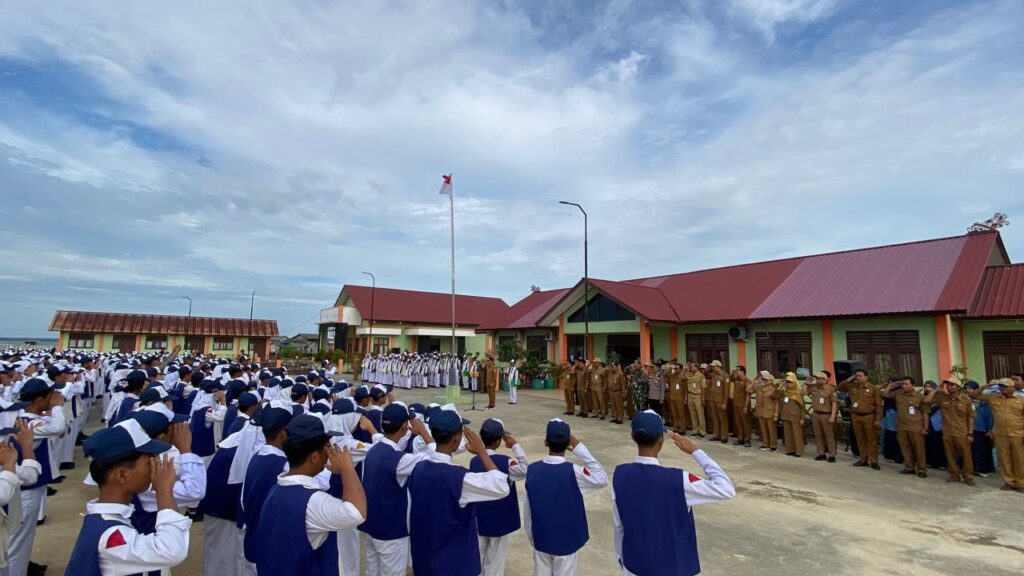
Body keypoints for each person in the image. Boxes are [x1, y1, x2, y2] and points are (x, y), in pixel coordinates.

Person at [613, 410, 736, 576]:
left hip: (635, 564)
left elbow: (618, 524)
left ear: (633, 437)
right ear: (661, 441)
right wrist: (695, 451)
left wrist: (622, 558)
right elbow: (726, 489)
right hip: (672, 567)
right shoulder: (679, 480)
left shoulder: (620, 474)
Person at [65, 420, 190, 575]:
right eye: (149, 462)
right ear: (122, 475)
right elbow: (171, 550)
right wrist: (164, 490)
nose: (155, 468)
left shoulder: (109, 519)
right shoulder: (110, 535)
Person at [255, 414, 367, 575]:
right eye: (326, 449)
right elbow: (357, 512)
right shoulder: (311, 501)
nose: (329, 453)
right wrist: (347, 468)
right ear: (314, 457)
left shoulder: (276, 489)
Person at [407, 406, 510, 576]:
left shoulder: (418, 468)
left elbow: (434, 449)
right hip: (456, 565)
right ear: (456, 439)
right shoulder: (461, 479)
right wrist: (482, 451)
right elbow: (501, 485)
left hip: (425, 560)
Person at [524, 418, 608, 576]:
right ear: (569, 442)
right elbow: (601, 478)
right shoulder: (574, 472)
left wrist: (533, 537)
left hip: (541, 538)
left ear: (545, 442)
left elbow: (527, 511)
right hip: (567, 540)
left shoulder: (532, 470)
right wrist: (580, 448)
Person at [360, 402, 436, 576]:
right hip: (391, 532)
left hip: (372, 526)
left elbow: (378, 438)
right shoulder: (400, 460)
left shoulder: (374, 450)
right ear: (404, 427)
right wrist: (424, 432)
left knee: (373, 571)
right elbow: (436, 458)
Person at [11, 378, 66, 576]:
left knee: (20, 539)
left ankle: (22, 566)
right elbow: (58, 427)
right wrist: (58, 407)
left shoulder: (23, 417)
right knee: (18, 541)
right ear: (39, 399)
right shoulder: (30, 423)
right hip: (25, 491)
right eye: (49, 397)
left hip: (24, 487)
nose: (54, 399)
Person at [469, 419, 530, 576]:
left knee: (478, 556)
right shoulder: (506, 462)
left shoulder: (474, 461)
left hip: (479, 518)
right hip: (500, 519)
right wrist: (515, 445)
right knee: (496, 560)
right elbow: (525, 468)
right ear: (498, 441)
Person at [924, 376, 975, 485]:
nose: (949, 387)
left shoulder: (966, 400)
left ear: (958, 388)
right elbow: (926, 400)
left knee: (966, 456)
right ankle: (954, 475)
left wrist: (970, 433)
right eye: (948, 384)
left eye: (952, 385)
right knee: (950, 455)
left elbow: (970, 418)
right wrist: (937, 389)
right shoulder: (942, 398)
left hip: (962, 432)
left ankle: (968, 476)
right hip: (947, 432)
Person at [977, 378, 1024, 491]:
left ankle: (1021, 483)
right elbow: (974, 395)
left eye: (1005, 386)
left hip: (1018, 433)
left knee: (1019, 459)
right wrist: (984, 387)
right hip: (1000, 433)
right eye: (1001, 386)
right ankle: (1009, 482)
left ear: (1013, 388)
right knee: (1004, 459)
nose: (1002, 388)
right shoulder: (993, 397)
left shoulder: (1021, 400)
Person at [882, 377, 928, 478]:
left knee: (919, 449)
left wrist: (925, 427)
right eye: (903, 384)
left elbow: (925, 412)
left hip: (916, 427)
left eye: (907, 384)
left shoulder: (919, 396)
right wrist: (891, 385)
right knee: (905, 448)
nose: (904, 386)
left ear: (912, 385)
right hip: (902, 426)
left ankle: (921, 469)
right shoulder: (898, 394)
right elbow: (884, 394)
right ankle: (909, 467)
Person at [838, 369, 883, 470]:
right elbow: (839, 387)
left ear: (866, 377)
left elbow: (879, 405)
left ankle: (873, 461)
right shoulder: (852, 386)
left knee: (871, 440)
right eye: (856, 376)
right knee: (860, 439)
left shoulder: (873, 388)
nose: (858, 378)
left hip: (869, 416)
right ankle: (863, 459)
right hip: (856, 416)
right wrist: (848, 379)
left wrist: (878, 418)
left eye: (860, 376)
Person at [805, 371, 838, 462]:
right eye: (817, 379)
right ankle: (821, 453)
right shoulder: (814, 388)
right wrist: (806, 383)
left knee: (829, 436)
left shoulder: (830, 389)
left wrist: (832, 416)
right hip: (816, 414)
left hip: (826, 414)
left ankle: (831, 454)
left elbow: (834, 403)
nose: (817, 380)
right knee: (818, 435)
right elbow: (803, 392)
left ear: (824, 379)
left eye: (819, 379)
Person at [965, 381, 996, 474]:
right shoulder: (965, 400)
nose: (968, 390)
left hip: (981, 429)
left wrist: (989, 429)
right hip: (969, 428)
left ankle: (981, 468)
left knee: (981, 450)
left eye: (971, 388)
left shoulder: (984, 402)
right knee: (971, 450)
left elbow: (989, 417)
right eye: (966, 388)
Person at [774, 372, 804, 457]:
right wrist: (779, 386)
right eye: (787, 382)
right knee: (787, 434)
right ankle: (790, 450)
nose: (788, 383)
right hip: (785, 415)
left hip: (795, 417)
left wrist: (802, 418)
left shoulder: (798, 393)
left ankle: (798, 451)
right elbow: (774, 396)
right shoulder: (784, 392)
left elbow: (802, 407)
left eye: (790, 382)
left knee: (796, 434)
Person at [750, 371, 778, 451]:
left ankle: (773, 445)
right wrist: (755, 381)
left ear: (771, 381)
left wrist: (776, 414)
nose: (765, 381)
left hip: (770, 411)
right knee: (764, 429)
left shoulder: (773, 389)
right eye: (764, 380)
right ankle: (766, 443)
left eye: (767, 380)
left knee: (771, 429)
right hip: (761, 411)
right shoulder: (760, 388)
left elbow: (776, 403)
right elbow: (748, 390)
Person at [706, 361, 729, 443]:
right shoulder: (714, 375)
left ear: (718, 366)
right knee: (715, 418)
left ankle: (724, 436)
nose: (712, 368)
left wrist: (724, 402)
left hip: (720, 400)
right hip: (713, 400)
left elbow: (726, 391)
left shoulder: (725, 376)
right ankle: (717, 435)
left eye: (714, 366)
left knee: (722, 419)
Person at [729, 366, 751, 447]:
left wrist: (745, 406)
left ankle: (747, 439)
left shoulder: (747, 381)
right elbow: (731, 377)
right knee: (738, 423)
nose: (736, 372)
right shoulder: (736, 379)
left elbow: (748, 395)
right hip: (736, 404)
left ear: (743, 372)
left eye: (738, 370)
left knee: (745, 423)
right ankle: (740, 438)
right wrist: (733, 371)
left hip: (743, 405)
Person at [684, 363, 706, 438]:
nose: (691, 368)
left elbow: (703, 388)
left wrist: (703, 398)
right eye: (690, 367)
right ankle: (695, 430)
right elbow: (682, 377)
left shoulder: (701, 375)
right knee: (693, 414)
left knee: (700, 414)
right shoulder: (689, 374)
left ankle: (702, 431)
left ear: (697, 367)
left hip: (698, 396)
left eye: (692, 367)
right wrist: (685, 369)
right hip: (690, 395)